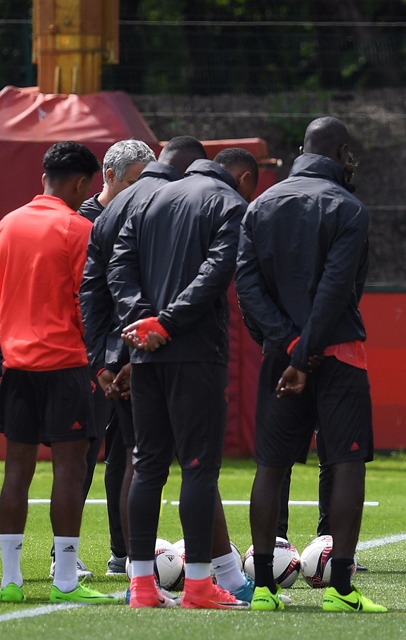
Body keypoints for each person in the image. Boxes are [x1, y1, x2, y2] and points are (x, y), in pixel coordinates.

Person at [237, 116, 385, 613]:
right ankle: (342, 590)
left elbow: (248, 287)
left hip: (281, 358)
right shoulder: (349, 207)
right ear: (341, 153)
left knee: (270, 466)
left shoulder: (259, 204)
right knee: (346, 463)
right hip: (338, 352)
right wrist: (308, 351)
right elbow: (339, 287)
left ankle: (261, 588)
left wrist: (286, 345)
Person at [109, 148, 259, 609]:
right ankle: (197, 585)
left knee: (148, 463)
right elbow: (216, 272)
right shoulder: (229, 202)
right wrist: (168, 323)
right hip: (194, 352)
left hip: (146, 353)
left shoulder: (147, 198)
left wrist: (142, 322)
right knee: (198, 466)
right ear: (245, 179)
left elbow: (119, 266)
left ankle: (140, 586)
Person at [82, 136, 211, 604]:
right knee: (179, 461)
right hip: (141, 353)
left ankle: (134, 567)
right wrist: (122, 352)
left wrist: (112, 357)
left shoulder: (121, 213)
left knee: (135, 458)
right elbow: (103, 292)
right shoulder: (154, 208)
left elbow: (101, 289)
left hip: (130, 357)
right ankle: (206, 574)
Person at [0, 141, 116, 605]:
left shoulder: (6, 225)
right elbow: (89, 303)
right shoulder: (78, 227)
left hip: (16, 367)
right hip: (68, 364)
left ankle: (9, 579)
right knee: (69, 472)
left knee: (16, 472)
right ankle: (66, 578)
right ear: (81, 183)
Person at [74, 138, 156, 579]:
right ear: (109, 177)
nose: (143, 190)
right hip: (89, 355)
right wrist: (96, 358)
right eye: (134, 182)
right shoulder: (85, 222)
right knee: (82, 452)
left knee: (126, 454)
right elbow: (85, 295)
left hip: (126, 354)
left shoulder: (142, 218)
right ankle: (61, 554)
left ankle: (122, 552)